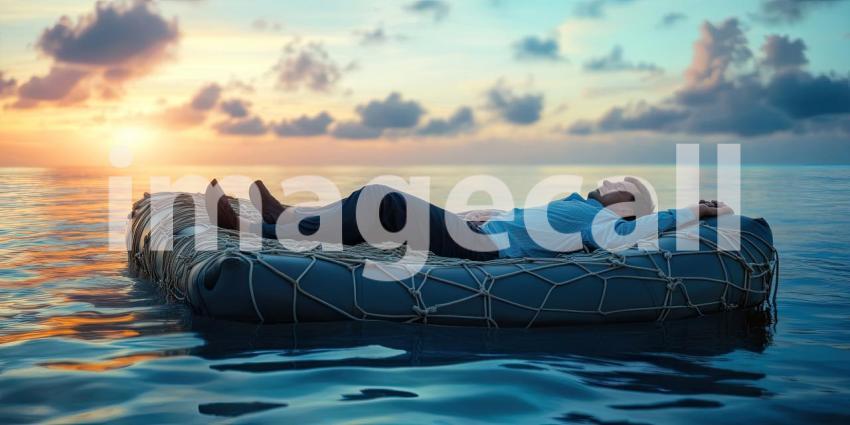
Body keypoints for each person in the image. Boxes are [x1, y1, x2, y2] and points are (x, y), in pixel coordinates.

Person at [204, 177, 733, 260]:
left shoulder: (606, 223)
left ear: (627, 204)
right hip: (477, 234)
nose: (609, 179)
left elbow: (637, 231)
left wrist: (694, 210)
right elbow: (519, 220)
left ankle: (262, 228)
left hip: (483, 254)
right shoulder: (581, 206)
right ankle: (286, 218)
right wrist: (479, 215)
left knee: (384, 200)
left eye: (622, 182)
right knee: (378, 204)